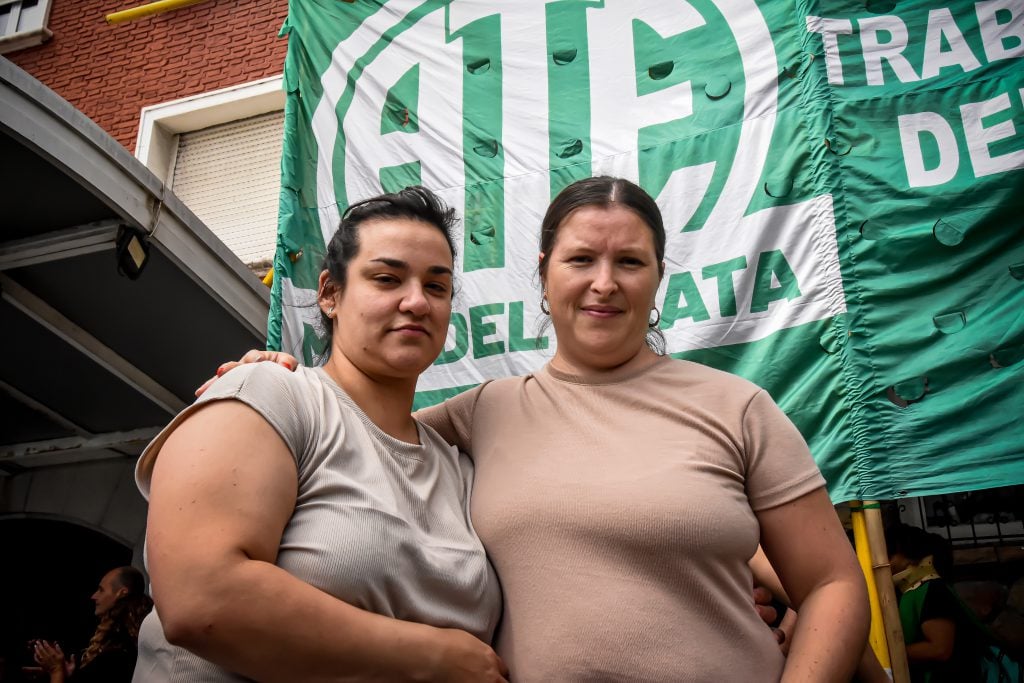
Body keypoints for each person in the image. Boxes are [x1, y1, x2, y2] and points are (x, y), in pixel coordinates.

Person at [212, 176, 870, 681]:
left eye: (631, 262)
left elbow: (832, 584)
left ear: (659, 278)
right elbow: (353, 420)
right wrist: (272, 374)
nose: (604, 283)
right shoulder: (482, 412)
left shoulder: (739, 407)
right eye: (581, 259)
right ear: (544, 274)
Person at [133, 187, 506, 682]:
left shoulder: (457, 465)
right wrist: (435, 657)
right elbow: (201, 599)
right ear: (329, 293)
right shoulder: (269, 393)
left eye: (436, 287)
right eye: (387, 278)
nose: (416, 301)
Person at [886, 523, 1015, 683]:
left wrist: (888, 654)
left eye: (890, 556)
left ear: (911, 557)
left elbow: (939, 649)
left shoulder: (932, 590)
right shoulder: (914, 592)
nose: (885, 563)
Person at [32, 567, 152, 683]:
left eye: (101, 590)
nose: (93, 596)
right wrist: (71, 675)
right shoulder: (115, 640)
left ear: (121, 593)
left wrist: (56, 672)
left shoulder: (119, 651)